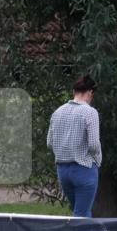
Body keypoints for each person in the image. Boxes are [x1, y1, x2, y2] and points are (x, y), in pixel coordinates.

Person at [46, 75, 102, 218]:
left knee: (78, 211)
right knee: (82, 214)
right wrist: (96, 161)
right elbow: (94, 145)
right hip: (84, 168)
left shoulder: (57, 112)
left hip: (63, 171)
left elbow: (49, 143)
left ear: (74, 91)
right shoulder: (90, 112)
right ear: (90, 92)